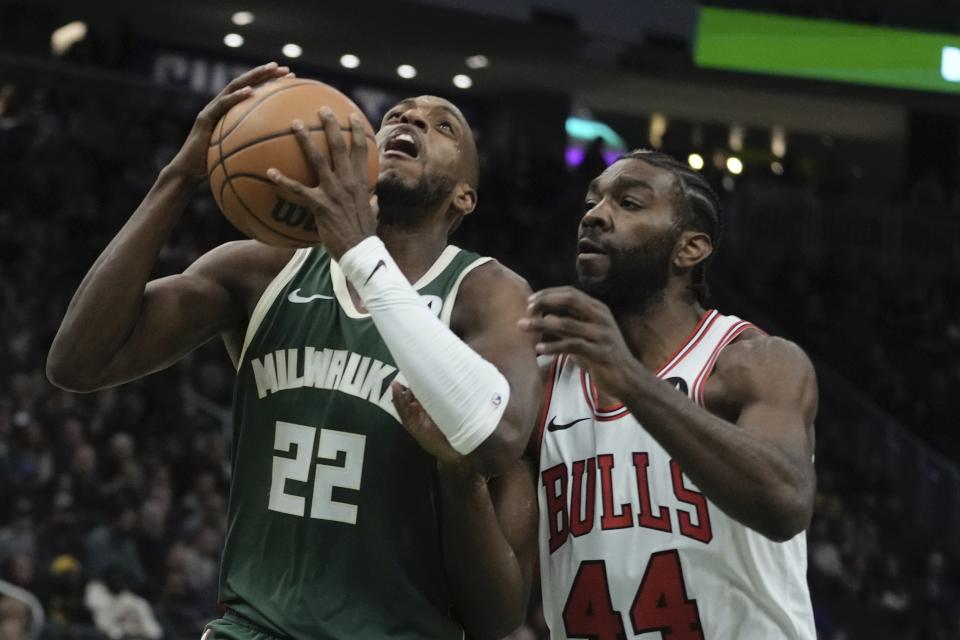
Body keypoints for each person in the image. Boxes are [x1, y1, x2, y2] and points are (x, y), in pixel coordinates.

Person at [47, 62, 541, 640]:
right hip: (250, 628)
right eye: (397, 115)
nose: (411, 119)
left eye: (444, 125)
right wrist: (180, 176)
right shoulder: (267, 266)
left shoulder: (487, 294)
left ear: (465, 196)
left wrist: (361, 249)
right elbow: (77, 361)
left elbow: (501, 436)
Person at [521, 150, 817, 638]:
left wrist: (630, 379)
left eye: (630, 203)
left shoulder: (754, 361)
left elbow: (785, 502)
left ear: (690, 249)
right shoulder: (546, 379)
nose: (594, 214)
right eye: (592, 200)